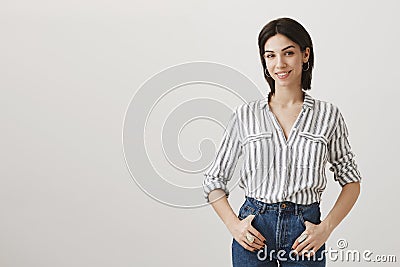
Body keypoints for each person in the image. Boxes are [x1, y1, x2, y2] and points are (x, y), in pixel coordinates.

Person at [203, 17, 362, 266]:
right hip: (255, 230)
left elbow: (351, 181)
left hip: (305, 232)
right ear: (264, 61)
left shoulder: (328, 115)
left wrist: (325, 229)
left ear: (305, 54)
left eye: (288, 53)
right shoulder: (245, 115)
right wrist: (233, 225)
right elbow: (213, 179)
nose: (280, 64)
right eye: (270, 56)